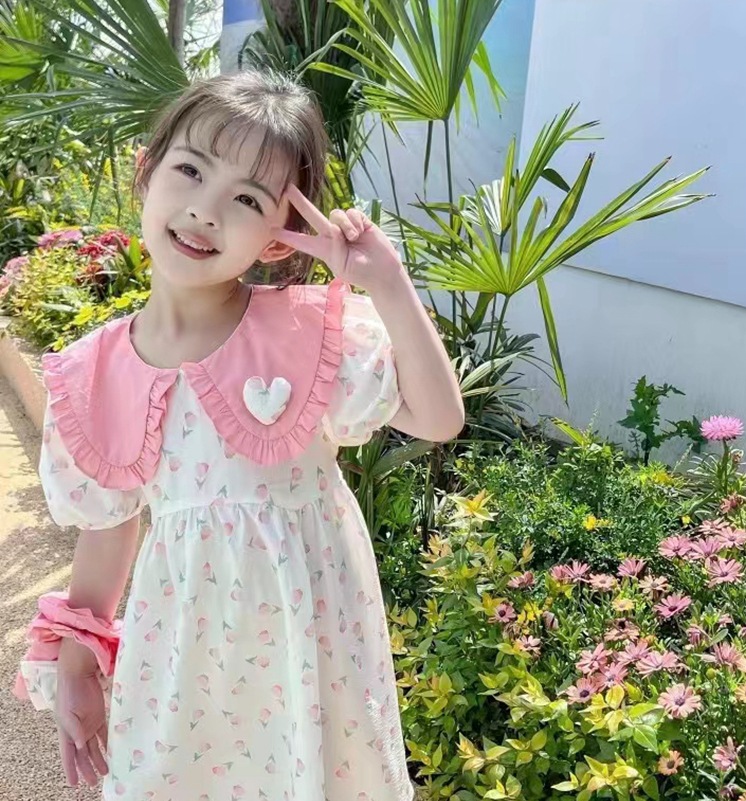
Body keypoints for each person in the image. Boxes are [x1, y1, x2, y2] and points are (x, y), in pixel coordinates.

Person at [12, 69, 464, 800]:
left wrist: (386, 281)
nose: (206, 210)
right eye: (191, 170)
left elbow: (439, 418)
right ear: (146, 170)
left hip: (311, 653)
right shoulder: (94, 372)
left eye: (248, 199)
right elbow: (108, 528)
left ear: (279, 239)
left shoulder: (307, 333)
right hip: (185, 659)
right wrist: (77, 662)